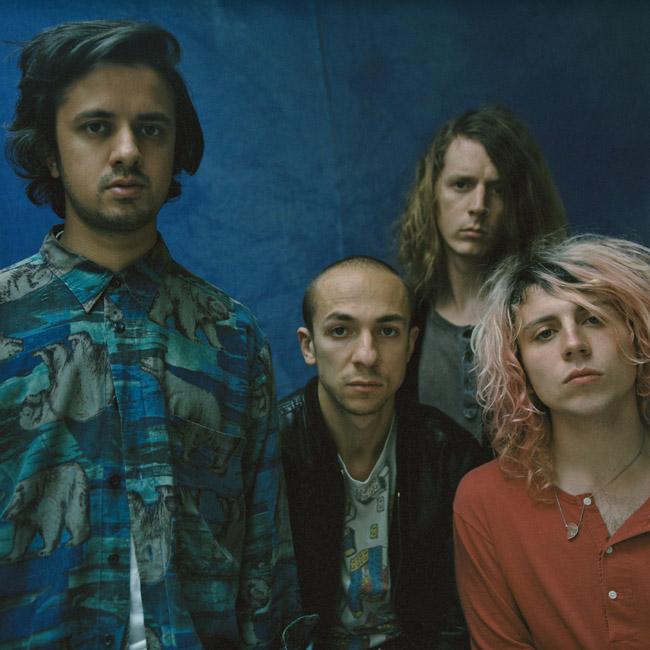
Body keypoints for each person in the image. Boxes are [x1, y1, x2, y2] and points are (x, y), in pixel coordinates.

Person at [0, 20, 300, 649]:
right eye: (96, 127)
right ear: (50, 151)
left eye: (151, 129)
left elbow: (264, 568)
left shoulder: (233, 338)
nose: (128, 151)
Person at [279, 256, 488, 649]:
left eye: (388, 331)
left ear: (410, 344)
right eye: (340, 331)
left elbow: (460, 617)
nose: (367, 355)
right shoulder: (271, 451)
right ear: (309, 346)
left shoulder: (450, 456)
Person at [453, 235, 650, 649]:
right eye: (544, 333)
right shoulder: (485, 501)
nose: (574, 344)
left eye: (593, 318)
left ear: (637, 333)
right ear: (517, 366)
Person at [397, 105, 567, 442]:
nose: (478, 205)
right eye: (461, 184)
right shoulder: (404, 316)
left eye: (498, 189)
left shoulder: (551, 313)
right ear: (433, 194)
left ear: (519, 203)